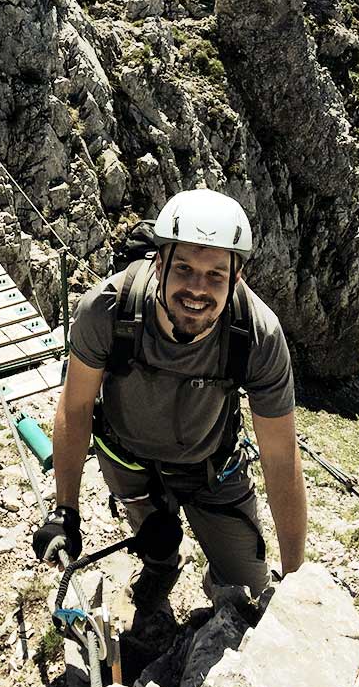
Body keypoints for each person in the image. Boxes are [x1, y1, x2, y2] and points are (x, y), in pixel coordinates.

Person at [32, 188, 307, 610]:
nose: (197, 289)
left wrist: (295, 582)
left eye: (216, 275)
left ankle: (216, 577)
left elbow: (281, 457)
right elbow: (76, 407)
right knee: (155, 541)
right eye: (184, 269)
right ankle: (161, 565)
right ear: (159, 265)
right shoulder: (107, 310)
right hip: (128, 463)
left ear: (237, 278)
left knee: (249, 586)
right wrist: (65, 510)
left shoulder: (258, 335)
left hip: (211, 469)